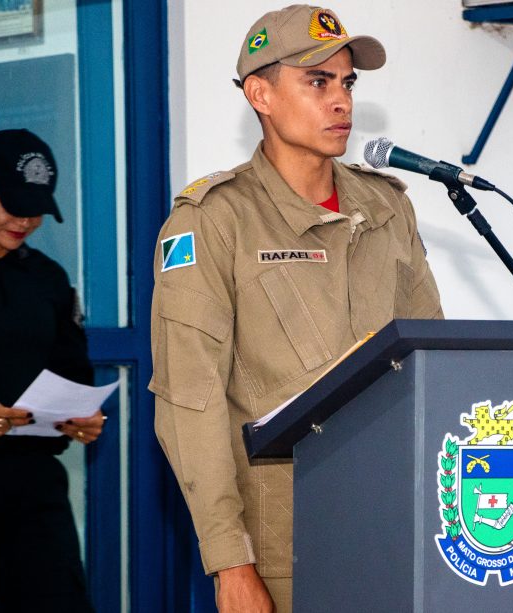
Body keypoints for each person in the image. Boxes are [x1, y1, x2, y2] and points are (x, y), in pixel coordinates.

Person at [149, 5, 443, 612]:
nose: (342, 101)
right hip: (283, 543)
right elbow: (188, 402)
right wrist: (232, 562)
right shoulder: (212, 220)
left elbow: (429, 358)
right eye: (317, 82)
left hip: (393, 522)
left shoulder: (386, 207)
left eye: (347, 82)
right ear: (260, 93)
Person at [0, 128, 106, 612]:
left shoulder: (47, 279)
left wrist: (80, 418)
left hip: (31, 486)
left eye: (36, 207)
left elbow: (72, 369)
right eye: (14, 203)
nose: (25, 219)